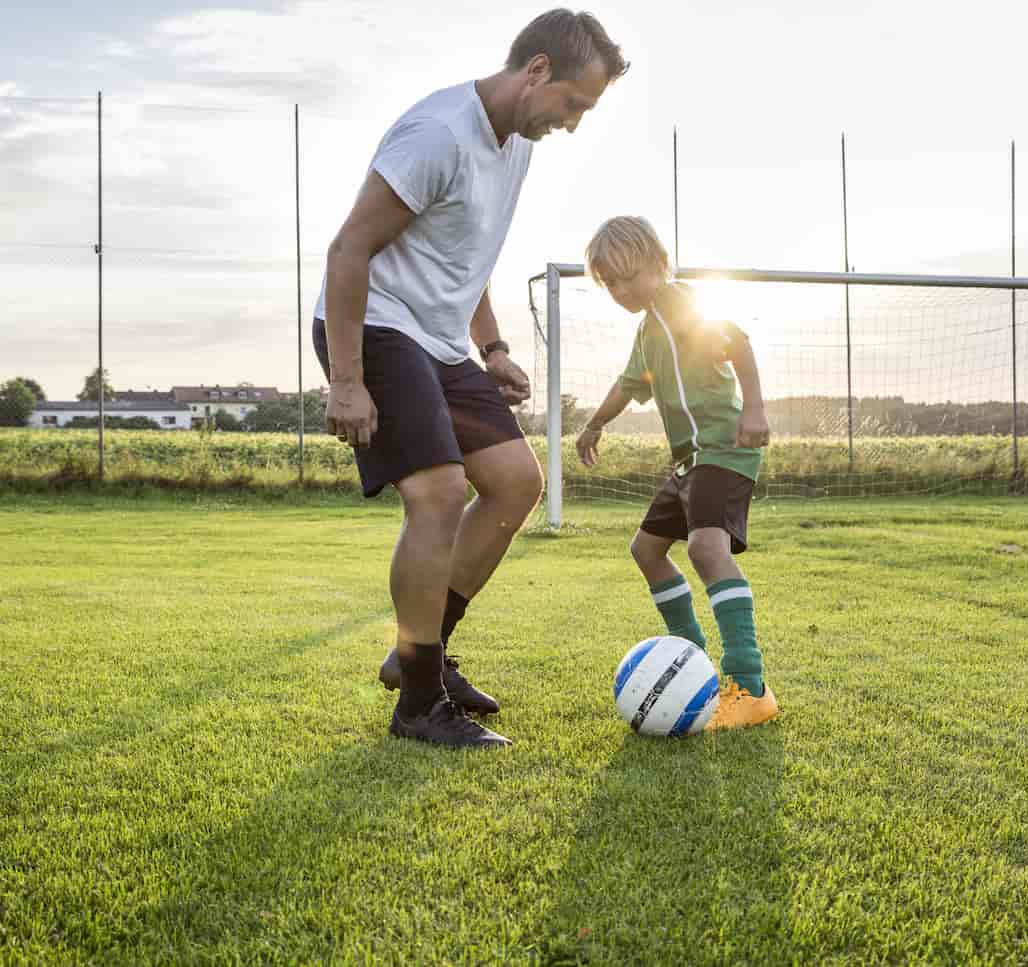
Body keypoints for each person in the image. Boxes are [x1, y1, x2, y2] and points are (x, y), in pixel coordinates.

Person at [315, 10, 629, 748]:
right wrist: (348, 381)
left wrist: (491, 347)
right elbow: (348, 249)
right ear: (539, 71)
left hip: (441, 339)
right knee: (439, 493)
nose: (574, 125)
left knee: (518, 482)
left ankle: (420, 653)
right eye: (575, 105)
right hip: (375, 324)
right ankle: (420, 704)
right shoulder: (439, 134)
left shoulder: (516, 139)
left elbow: (467, 253)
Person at [575, 216, 779, 730]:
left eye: (629, 276)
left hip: (723, 449)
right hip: (688, 460)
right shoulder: (647, 330)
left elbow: (739, 344)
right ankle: (692, 660)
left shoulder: (683, 305)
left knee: (706, 549)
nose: (620, 290)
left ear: (659, 264)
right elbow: (628, 384)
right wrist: (594, 424)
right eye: (610, 283)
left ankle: (749, 687)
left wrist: (754, 409)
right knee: (645, 550)